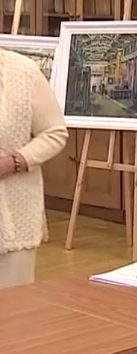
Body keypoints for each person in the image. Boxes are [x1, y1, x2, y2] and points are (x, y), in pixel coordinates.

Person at [0, 50, 69, 290]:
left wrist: (14, 162)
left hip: (13, 213)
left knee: (15, 304)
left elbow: (54, 133)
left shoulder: (24, 72)